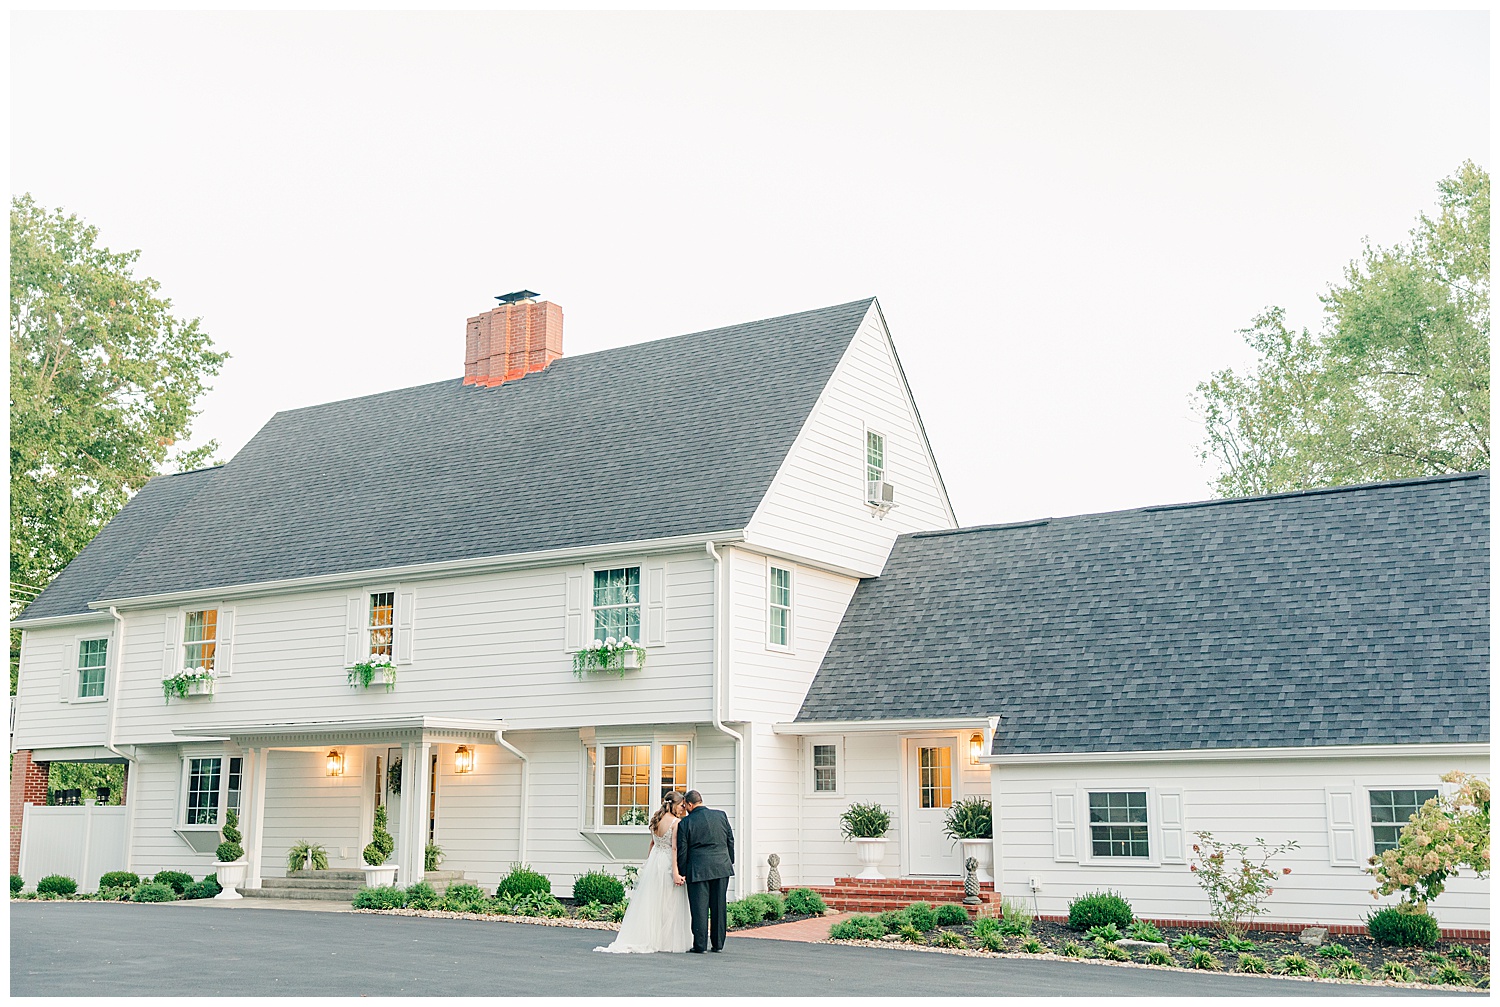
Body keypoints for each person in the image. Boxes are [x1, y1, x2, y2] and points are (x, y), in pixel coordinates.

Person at [595, 792, 693, 953]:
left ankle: (654, 937)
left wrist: (649, 863)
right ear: (674, 805)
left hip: (655, 860)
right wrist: (676, 872)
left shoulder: (657, 819)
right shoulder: (676, 823)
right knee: (668, 902)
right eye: (681, 806)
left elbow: (652, 843)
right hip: (667, 862)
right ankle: (665, 940)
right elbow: (674, 848)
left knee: (654, 900)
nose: (683, 809)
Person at [674, 790, 734, 953]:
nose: (685, 809)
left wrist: (683, 871)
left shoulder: (686, 823)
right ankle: (718, 944)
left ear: (690, 804)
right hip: (721, 867)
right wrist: (729, 860)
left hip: (698, 869)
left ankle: (700, 945)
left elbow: (682, 850)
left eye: (685, 805)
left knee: (699, 908)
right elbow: (730, 840)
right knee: (719, 906)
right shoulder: (721, 815)